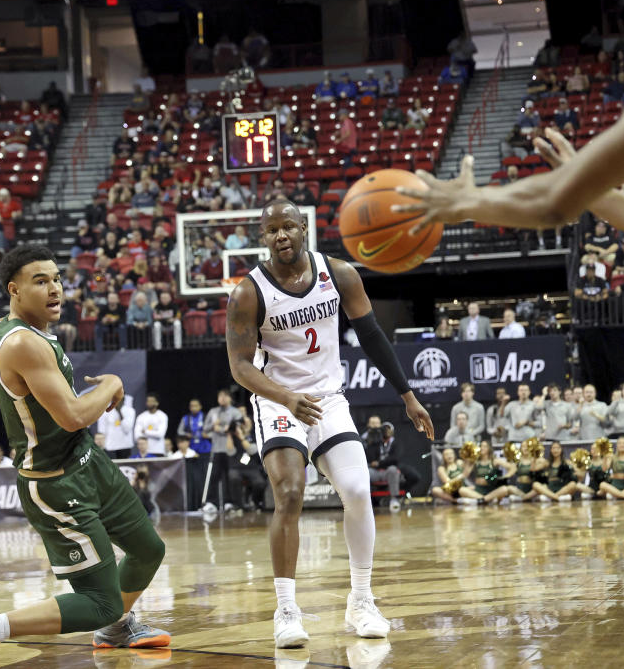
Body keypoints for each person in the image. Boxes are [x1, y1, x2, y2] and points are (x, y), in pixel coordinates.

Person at [0, 245, 168, 669]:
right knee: (101, 602)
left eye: (56, 278)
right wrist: (110, 385)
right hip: (55, 484)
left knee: (148, 549)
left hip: (88, 462)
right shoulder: (20, 344)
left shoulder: (4, 331)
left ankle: (115, 629)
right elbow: (72, 416)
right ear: (14, 290)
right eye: (41, 281)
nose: (55, 288)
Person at [225, 199, 433, 647]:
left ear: (305, 228)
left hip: (328, 398)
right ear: (264, 237)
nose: (280, 235)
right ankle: (286, 610)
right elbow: (241, 368)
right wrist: (285, 397)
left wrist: (409, 397)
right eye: (271, 230)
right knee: (289, 493)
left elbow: (373, 337)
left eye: (288, 227)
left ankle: (361, 600)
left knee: (358, 491)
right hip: (277, 400)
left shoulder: (339, 274)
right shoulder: (248, 292)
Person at [202, 389, 244, 513]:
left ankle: (228, 502)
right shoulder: (213, 412)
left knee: (229, 476)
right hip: (216, 449)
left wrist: (219, 428)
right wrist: (214, 425)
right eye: (220, 396)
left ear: (230, 398)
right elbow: (205, 429)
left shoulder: (235, 412)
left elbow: (237, 427)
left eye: (225, 396)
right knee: (214, 476)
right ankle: (212, 503)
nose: (222, 398)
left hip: (231, 449)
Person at [177, 398, 210, 511]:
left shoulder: (206, 417)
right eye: (191, 406)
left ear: (200, 406)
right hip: (191, 454)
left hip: (205, 451)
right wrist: (187, 434)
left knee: (204, 479)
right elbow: (180, 432)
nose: (193, 408)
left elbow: (213, 431)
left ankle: (205, 503)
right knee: (193, 480)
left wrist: (207, 434)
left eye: (196, 406)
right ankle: (192, 505)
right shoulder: (186, 419)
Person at [458, 439, 515, 504]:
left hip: (491, 489)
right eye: (481, 446)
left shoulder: (494, 461)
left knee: (504, 489)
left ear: (489, 449)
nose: (482, 448)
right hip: (478, 488)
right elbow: (466, 474)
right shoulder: (475, 461)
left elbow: (512, 467)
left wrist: (505, 477)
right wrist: (468, 461)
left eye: (485, 446)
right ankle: (487, 499)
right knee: (461, 490)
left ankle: (480, 500)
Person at [97, 394, 135, 459]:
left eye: (119, 399)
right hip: (110, 447)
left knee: (124, 468)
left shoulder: (130, 410)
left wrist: (119, 412)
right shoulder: (106, 411)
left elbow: (127, 428)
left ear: (123, 399)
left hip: (125, 446)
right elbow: (101, 430)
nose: (117, 401)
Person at [133, 393, 168, 457]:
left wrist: (145, 432)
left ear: (157, 403)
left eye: (152, 401)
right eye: (148, 401)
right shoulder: (141, 416)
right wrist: (154, 433)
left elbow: (160, 434)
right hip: (144, 452)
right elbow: (136, 435)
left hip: (158, 450)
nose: (149, 403)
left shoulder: (162, 416)